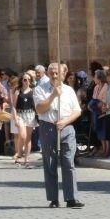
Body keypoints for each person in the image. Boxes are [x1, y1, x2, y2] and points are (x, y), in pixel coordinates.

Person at [33, 62, 82, 208]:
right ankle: (53, 198)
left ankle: (71, 198)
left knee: (68, 161)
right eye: (51, 73)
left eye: (57, 73)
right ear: (47, 74)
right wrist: (53, 95)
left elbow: (77, 111)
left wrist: (65, 121)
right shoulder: (40, 89)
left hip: (66, 128)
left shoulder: (69, 90)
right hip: (47, 127)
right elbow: (40, 109)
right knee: (50, 162)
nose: (54, 76)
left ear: (63, 74)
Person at [13, 72, 38, 167]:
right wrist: (15, 118)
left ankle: (26, 159)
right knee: (22, 136)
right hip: (20, 114)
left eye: (28, 79)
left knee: (28, 138)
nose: (27, 81)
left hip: (30, 115)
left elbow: (36, 105)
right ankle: (19, 154)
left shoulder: (33, 91)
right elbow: (14, 107)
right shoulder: (17, 91)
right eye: (24, 79)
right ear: (22, 81)